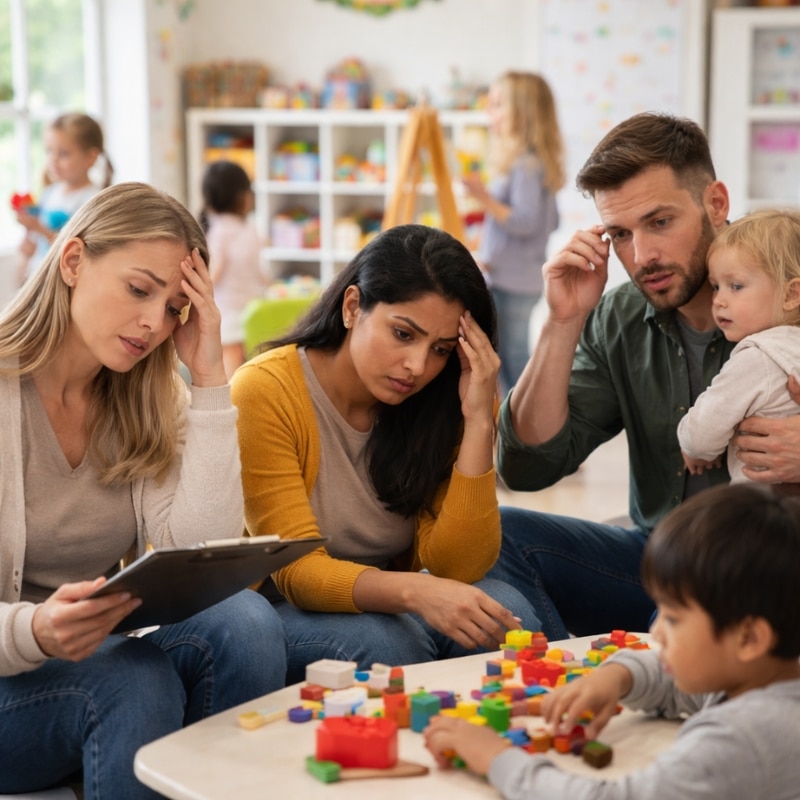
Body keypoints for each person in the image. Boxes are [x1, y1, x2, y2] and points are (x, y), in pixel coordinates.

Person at [0, 182, 287, 799]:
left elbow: (202, 547)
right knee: (135, 679)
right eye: (139, 290)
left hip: (89, 654)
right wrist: (36, 630)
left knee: (247, 623)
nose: (155, 324)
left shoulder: (147, 395)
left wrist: (209, 376)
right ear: (73, 261)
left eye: (176, 307)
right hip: (12, 669)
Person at [487, 112, 800, 641]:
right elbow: (528, 467)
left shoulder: (790, 292)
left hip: (764, 570)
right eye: (620, 234)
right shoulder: (620, 315)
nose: (642, 256)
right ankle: (571, 689)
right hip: (658, 555)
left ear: (715, 204)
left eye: (660, 222)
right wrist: (563, 321)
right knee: (498, 535)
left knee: (681, 621)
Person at [231, 223, 540, 684]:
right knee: (390, 647)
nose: (417, 366)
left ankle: (493, 750)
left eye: (440, 349)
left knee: (508, 616)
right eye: (402, 334)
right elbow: (295, 571)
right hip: (275, 608)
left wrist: (479, 422)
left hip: (386, 602)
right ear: (353, 307)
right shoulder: (264, 390)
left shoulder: (435, 402)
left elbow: (460, 566)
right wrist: (417, 592)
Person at [424, 483, 800, 799]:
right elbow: (687, 688)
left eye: (673, 617)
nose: (656, 631)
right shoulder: (765, 681)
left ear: (749, 638)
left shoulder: (738, 741)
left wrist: (496, 758)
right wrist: (617, 677)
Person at [679, 209, 800, 483]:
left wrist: (690, 445)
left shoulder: (757, 358)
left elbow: (701, 436)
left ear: (791, 294)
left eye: (735, 286)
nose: (719, 300)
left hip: (763, 512)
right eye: (715, 287)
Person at [462, 71, 564, 396]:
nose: (490, 113)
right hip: (515, 277)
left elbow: (525, 221)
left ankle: (523, 423)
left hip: (514, 282)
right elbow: (551, 221)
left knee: (512, 357)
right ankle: (520, 419)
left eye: (496, 105)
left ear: (521, 113)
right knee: (509, 353)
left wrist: (484, 197)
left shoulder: (526, 166)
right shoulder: (532, 164)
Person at [14, 112, 114, 285]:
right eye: (49, 151)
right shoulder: (49, 193)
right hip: (37, 280)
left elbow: (80, 252)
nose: (53, 159)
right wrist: (27, 251)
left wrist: (38, 228)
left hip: (63, 285)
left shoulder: (94, 199)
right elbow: (35, 248)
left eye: (63, 154)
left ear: (90, 157)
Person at [199, 159, 264, 379]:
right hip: (249, 312)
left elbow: (212, 277)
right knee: (246, 371)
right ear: (243, 196)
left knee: (232, 374)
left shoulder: (219, 231)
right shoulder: (249, 229)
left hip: (231, 315)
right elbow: (260, 273)